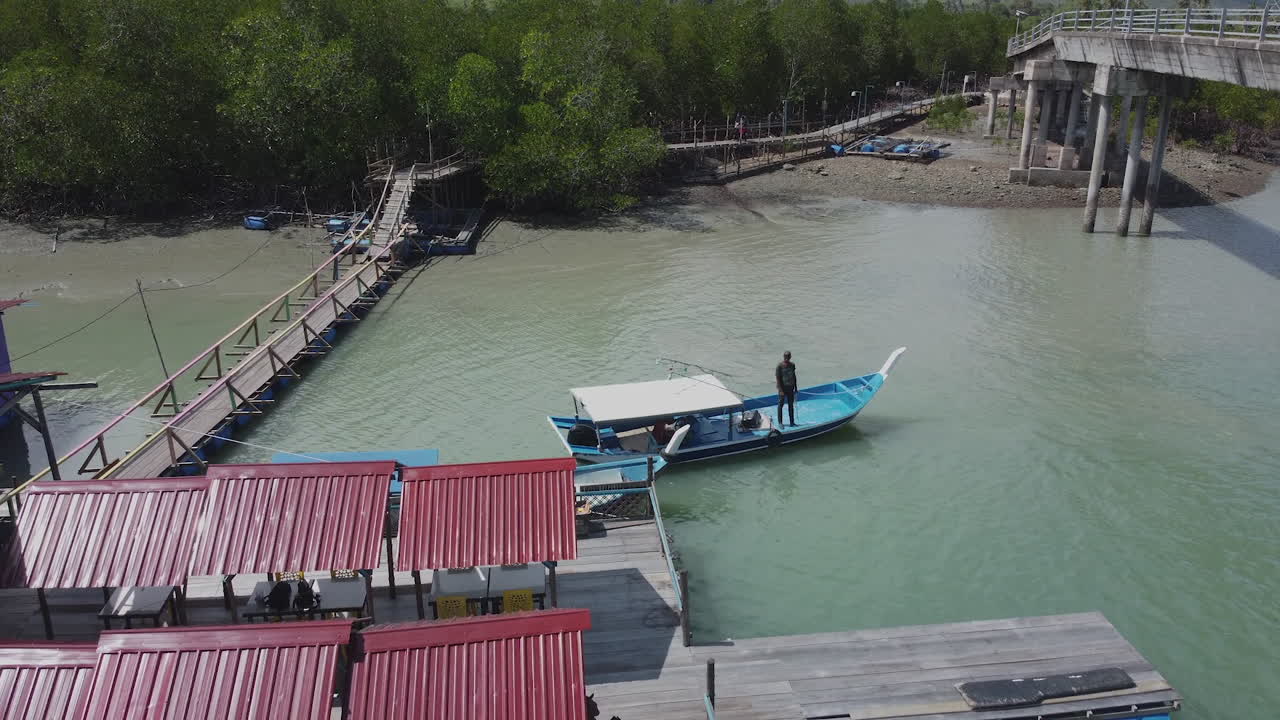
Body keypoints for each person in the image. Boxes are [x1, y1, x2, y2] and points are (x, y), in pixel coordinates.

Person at [775, 351, 798, 426]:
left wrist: (796, 387)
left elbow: (794, 376)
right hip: (782, 388)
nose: (786, 358)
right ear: (783, 357)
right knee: (780, 405)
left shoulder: (792, 365)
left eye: (788, 357)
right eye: (785, 357)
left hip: (790, 388)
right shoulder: (779, 366)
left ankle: (792, 422)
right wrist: (781, 390)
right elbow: (778, 379)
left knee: (791, 405)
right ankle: (780, 423)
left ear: (790, 357)